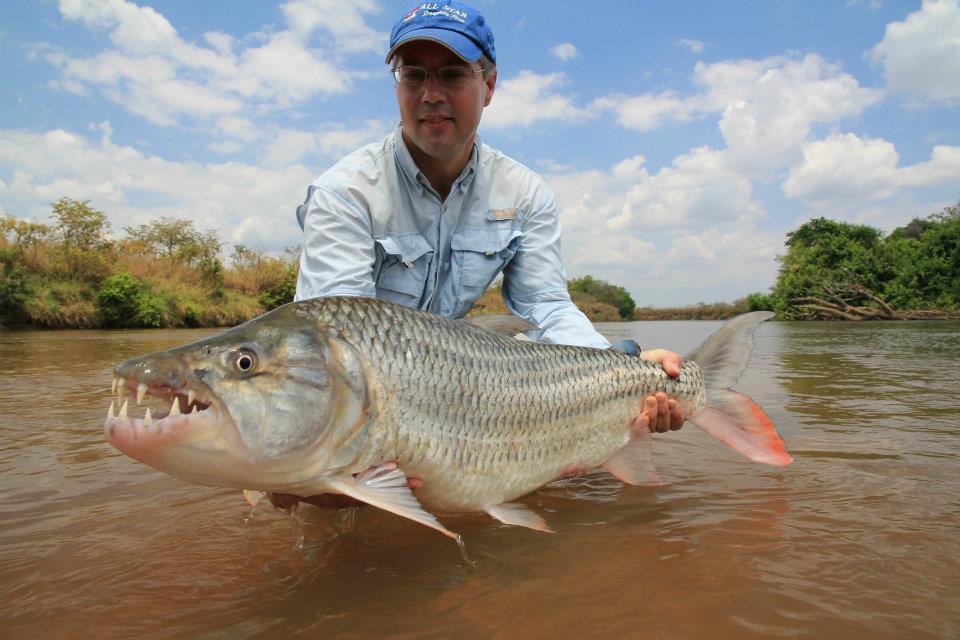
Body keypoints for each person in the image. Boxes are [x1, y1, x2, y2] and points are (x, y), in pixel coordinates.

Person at [294, 1, 684, 444]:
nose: (431, 93)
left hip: (466, 385)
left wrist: (622, 367)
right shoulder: (343, 193)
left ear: (490, 85)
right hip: (378, 392)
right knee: (318, 473)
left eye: (453, 73)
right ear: (397, 84)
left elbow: (546, 307)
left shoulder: (526, 193)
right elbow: (334, 339)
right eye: (414, 74)